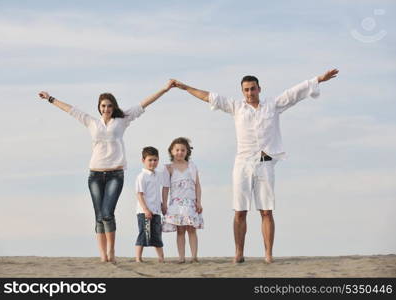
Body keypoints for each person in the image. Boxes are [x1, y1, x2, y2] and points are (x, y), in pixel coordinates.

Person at [172, 69, 339, 263]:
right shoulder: (236, 107)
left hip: (265, 163)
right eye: (246, 90)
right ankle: (239, 253)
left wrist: (318, 79)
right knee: (240, 211)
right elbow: (209, 97)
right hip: (242, 163)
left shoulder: (273, 105)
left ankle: (268, 254)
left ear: (259, 89)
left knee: (266, 211)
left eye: (253, 89)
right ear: (242, 91)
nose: (250, 93)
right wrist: (184, 87)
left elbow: (295, 92)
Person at [37, 80, 175, 263]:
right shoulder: (91, 122)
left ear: (114, 107)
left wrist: (164, 89)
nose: (106, 108)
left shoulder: (122, 119)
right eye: (103, 106)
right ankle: (103, 255)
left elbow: (144, 103)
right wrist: (50, 99)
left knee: (107, 213)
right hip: (94, 174)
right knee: (99, 216)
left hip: (115, 174)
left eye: (110, 106)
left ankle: (111, 251)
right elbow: (70, 110)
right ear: (99, 107)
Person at [162, 137, 204, 263]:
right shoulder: (168, 168)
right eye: (177, 150)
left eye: (183, 150)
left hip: (190, 203)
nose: (180, 152)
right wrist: (164, 204)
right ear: (171, 151)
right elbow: (165, 188)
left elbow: (197, 185)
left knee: (192, 229)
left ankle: (194, 256)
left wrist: (198, 201)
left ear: (187, 152)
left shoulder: (192, 166)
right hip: (176, 204)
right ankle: (181, 257)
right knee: (180, 230)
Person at [135, 147, 168, 263]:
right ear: (143, 160)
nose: (153, 163)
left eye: (155, 160)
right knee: (143, 234)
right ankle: (138, 258)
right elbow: (139, 194)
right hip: (144, 212)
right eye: (150, 160)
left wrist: (163, 204)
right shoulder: (142, 176)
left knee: (157, 235)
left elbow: (164, 187)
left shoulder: (158, 175)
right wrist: (145, 210)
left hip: (156, 211)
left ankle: (161, 258)